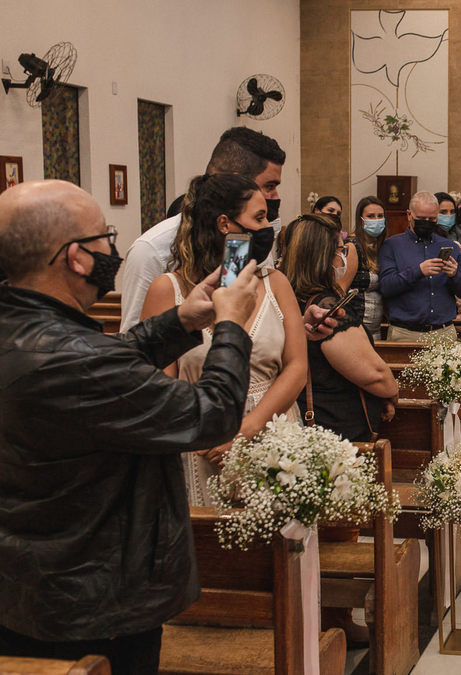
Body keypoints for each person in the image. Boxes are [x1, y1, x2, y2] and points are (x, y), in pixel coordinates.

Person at [0, 180, 260, 673]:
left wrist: (180, 321)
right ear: (76, 258)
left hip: (29, 586)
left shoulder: (23, 326)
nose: (111, 249)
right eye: (104, 237)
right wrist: (231, 327)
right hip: (94, 601)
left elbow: (101, 364)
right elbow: (213, 414)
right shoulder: (75, 359)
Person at [140, 173, 306, 507]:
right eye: (259, 218)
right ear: (224, 224)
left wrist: (247, 428)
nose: (268, 227)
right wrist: (206, 432)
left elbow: (297, 367)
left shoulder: (276, 283)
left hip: (272, 430)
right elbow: (159, 385)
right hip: (202, 442)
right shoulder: (168, 290)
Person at [120, 127, 285, 331]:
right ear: (232, 183)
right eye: (269, 186)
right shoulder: (151, 250)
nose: (275, 196)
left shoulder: (250, 237)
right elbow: (135, 338)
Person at [282, 214, 398, 441]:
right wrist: (392, 392)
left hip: (313, 424)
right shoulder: (325, 307)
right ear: (322, 256)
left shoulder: (288, 297)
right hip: (335, 427)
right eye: (340, 250)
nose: (344, 257)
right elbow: (375, 376)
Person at [378, 191, 461, 341]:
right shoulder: (392, 245)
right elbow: (386, 287)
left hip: (443, 332)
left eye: (432, 219)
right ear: (409, 215)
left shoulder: (450, 247)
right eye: (421, 219)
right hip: (405, 333)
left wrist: (455, 276)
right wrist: (418, 271)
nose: (427, 223)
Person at [353, 196, 388, 339]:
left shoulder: (384, 247)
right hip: (356, 326)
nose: (376, 220)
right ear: (361, 220)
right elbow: (340, 290)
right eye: (371, 216)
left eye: (380, 216)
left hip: (377, 327)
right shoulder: (352, 246)